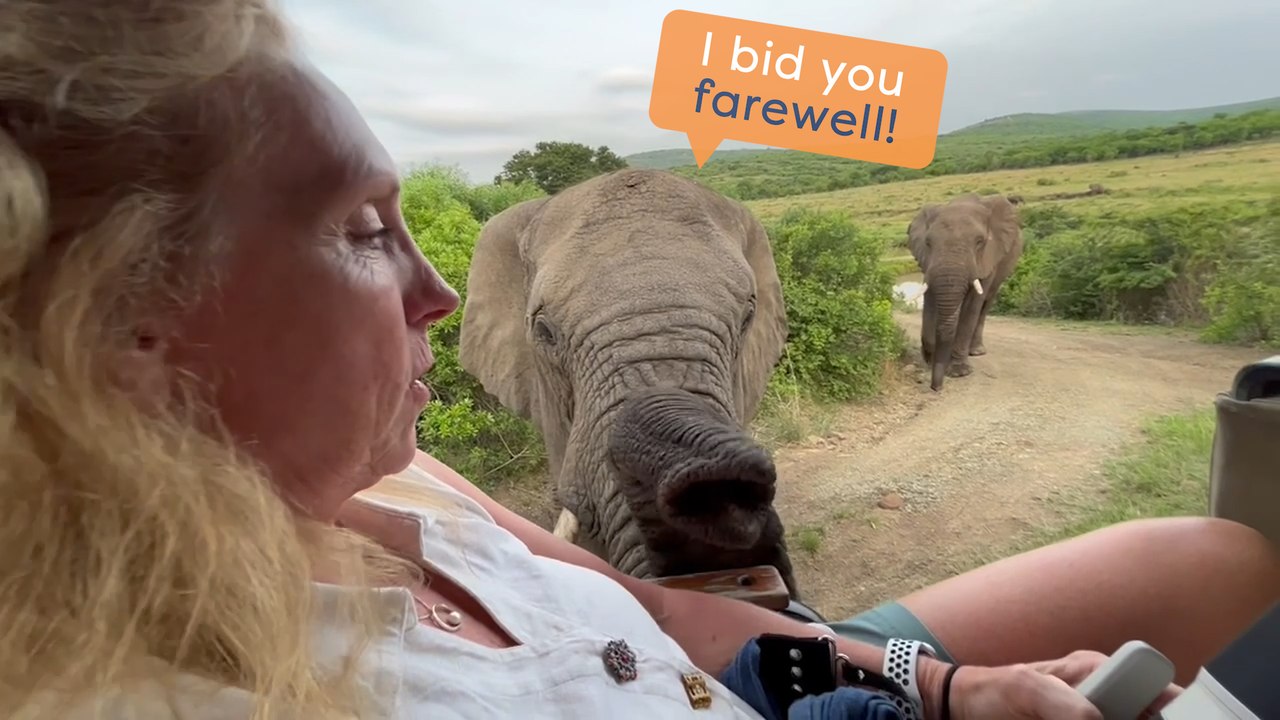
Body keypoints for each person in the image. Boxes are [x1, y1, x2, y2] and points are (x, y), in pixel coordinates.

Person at [1, 2, 1277, 719]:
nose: (439, 293)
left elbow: (667, 610)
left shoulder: (396, 482)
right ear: (128, 322)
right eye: (362, 232)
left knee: (1204, 552)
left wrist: (943, 691)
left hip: (770, 678)